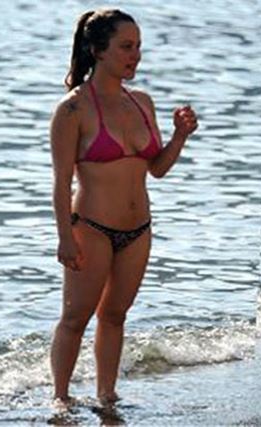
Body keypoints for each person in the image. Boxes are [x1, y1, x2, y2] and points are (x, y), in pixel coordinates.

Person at [49, 8, 198, 405]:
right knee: (75, 318)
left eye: (138, 47)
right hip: (91, 228)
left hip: (138, 230)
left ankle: (107, 395)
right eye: (126, 47)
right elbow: (61, 182)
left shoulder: (142, 102)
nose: (135, 55)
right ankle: (60, 401)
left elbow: (157, 169)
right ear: (98, 50)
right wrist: (65, 237)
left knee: (115, 315)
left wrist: (180, 137)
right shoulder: (72, 109)